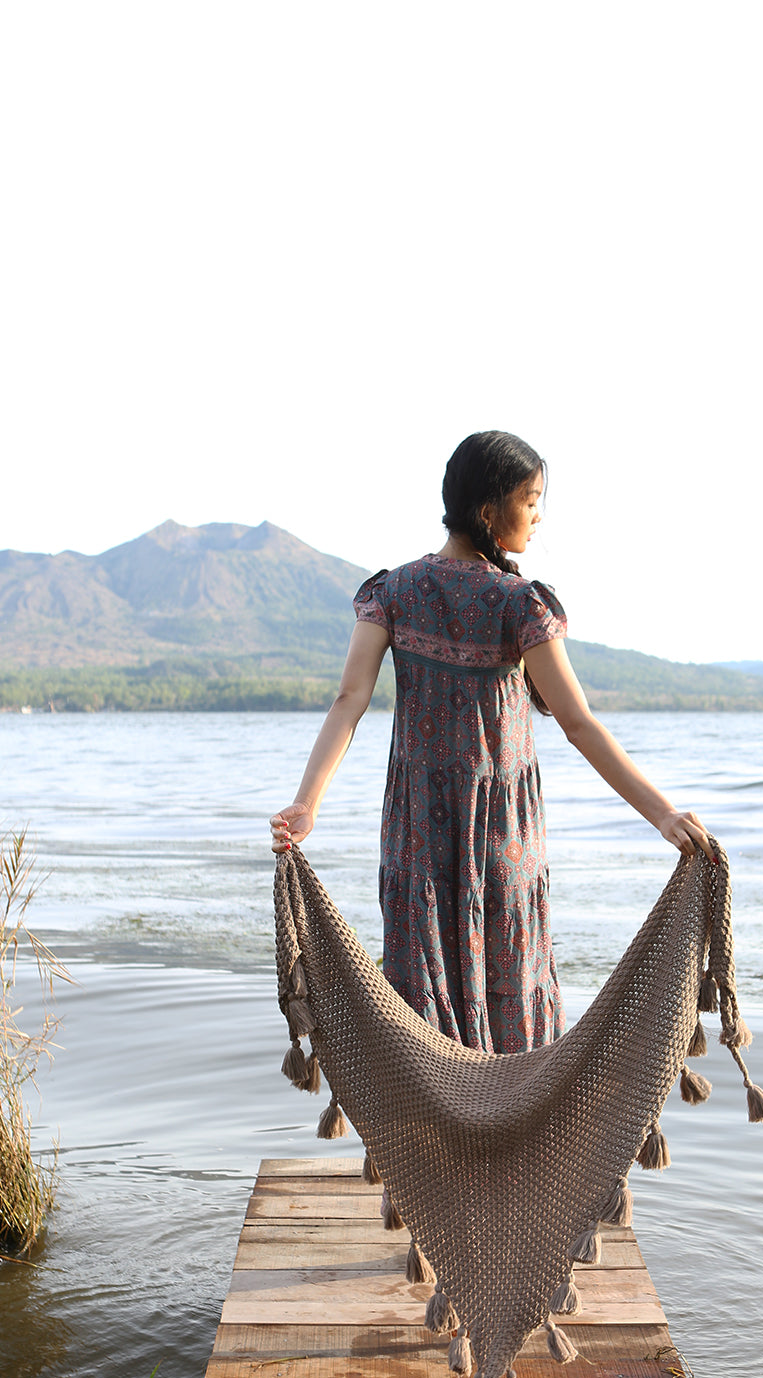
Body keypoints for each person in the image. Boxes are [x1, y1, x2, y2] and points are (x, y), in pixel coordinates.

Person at [270, 430, 712, 1055]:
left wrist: (307, 803)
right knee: (511, 979)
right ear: (489, 510)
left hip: (416, 831)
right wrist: (661, 813)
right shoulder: (518, 604)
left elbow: (350, 700)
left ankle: (424, 1143)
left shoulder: (392, 592)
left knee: (421, 991)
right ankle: (511, 1140)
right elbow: (578, 722)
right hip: (501, 833)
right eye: (531, 500)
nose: (539, 515)